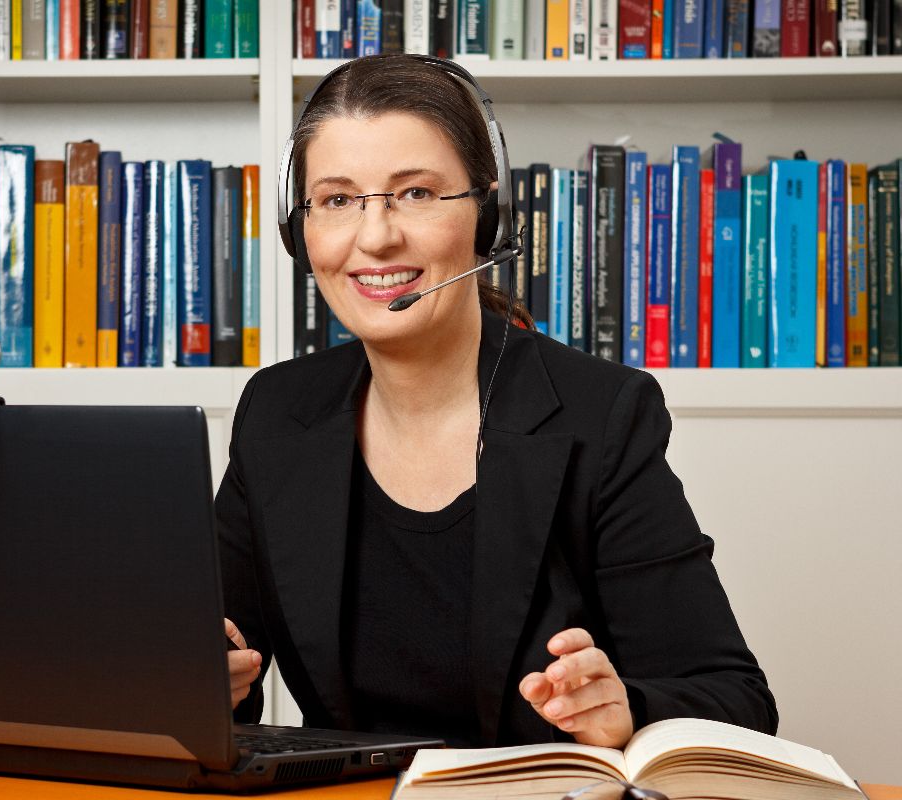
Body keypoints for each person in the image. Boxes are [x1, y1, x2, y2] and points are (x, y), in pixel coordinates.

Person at [216, 54, 777, 750]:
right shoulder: (277, 413)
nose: (374, 236)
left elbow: (735, 700)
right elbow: (214, 666)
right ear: (299, 227)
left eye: (416, 194)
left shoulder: (601, 414)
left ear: (488, 212)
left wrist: (624, 707)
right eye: (337, 200)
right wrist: (198, 677)